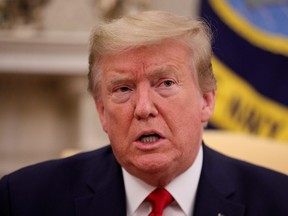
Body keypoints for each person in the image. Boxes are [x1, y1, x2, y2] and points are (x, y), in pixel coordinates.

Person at [0, 10, 288, 216]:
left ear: (207, 101)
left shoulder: (278, 201)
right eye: (123, 89)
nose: (144, 109)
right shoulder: (25, 199)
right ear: (102, 112)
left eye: (165, 84)